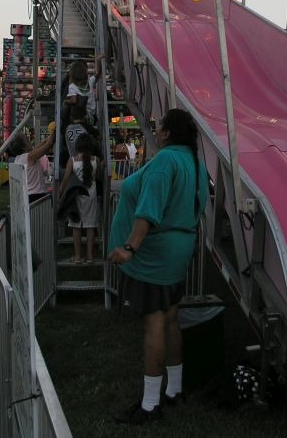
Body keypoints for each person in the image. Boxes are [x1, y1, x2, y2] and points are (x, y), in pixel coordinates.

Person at [108, 109, 209, 424]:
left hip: (154, 255)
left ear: (166, 133)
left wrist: (129, 247)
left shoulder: (165, 161)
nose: (155, 128)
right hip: (178, 250)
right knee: (170, 317)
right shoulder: (193, 162)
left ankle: (150, 405)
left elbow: (150, 209)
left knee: (153, 323)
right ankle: (174, 390)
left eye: (159, 125)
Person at [58, 133, 99, 263]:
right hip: (91, 195)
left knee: (76, 225)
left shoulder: (72, 160)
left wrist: (60, 194)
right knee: (90, 225)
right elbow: (97, 177)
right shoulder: (96, 160)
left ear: (77, 146)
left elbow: (65, 180)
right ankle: (90, 256)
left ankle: (77, 256)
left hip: (76, 196)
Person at [10, 126, 55, 203]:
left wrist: (46, 140)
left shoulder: (19, 158)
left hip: (29, 195)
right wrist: (55, 130)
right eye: (27, 140)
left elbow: (39, 147)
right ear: (24, 148)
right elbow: (48, 145)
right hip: (36, 196)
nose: (30, 141)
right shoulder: (28, 157)